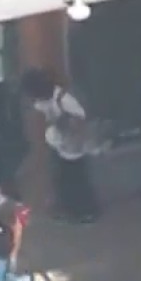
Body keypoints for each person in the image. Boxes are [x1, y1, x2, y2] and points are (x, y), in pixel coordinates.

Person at [21, 68, 98, 223]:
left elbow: (80, 117)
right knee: (64, 177)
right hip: (61, 144)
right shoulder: (42, 101)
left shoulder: (64, 98)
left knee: (77, 177)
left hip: (73, 144)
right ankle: (73, 208)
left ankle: (87, 211)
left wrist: (64, 125)